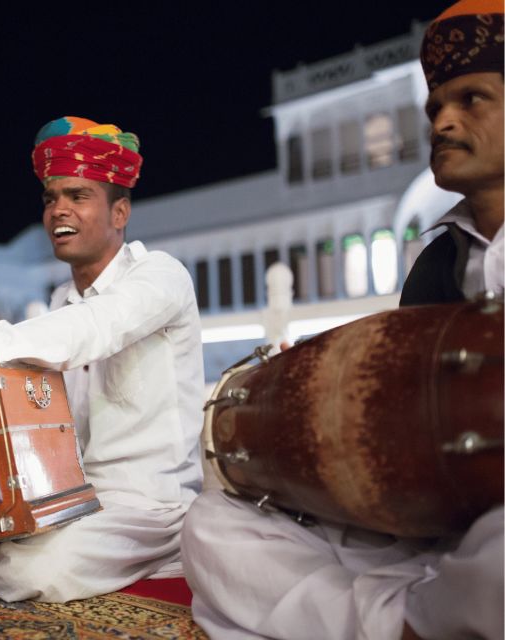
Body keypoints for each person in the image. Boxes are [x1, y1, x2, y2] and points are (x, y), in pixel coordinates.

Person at [180, 2, 504, 639]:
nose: (444, 120)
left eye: (471, 98)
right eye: (435, 106)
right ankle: (411, 624)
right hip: (442, 521)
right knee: (216, 527)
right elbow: (409, 416)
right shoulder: (438, 262)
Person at [0, 116, 206, 603]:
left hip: (148, 503)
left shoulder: (160, 277)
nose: (59, 210)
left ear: (120, 213)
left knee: (32, 571)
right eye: (50, 198)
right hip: (71, 496)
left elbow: (96, 327)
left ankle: (166, 553)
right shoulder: (60, 301)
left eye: (78, 196)